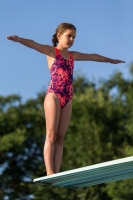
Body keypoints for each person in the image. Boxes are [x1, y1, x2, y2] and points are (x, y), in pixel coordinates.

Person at [6, 22, 125, 176]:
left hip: (68, 97)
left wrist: (110, 60)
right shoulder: (51, 52)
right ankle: (49, 172)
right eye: (69, 36)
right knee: (51, 135)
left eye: (74, 37)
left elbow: (92, 56)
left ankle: (56, 172)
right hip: (54, 95)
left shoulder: (72, 56)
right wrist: (19, 39)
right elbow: (34, 44)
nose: (71, 39)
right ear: (59, 35)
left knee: (61, 138)